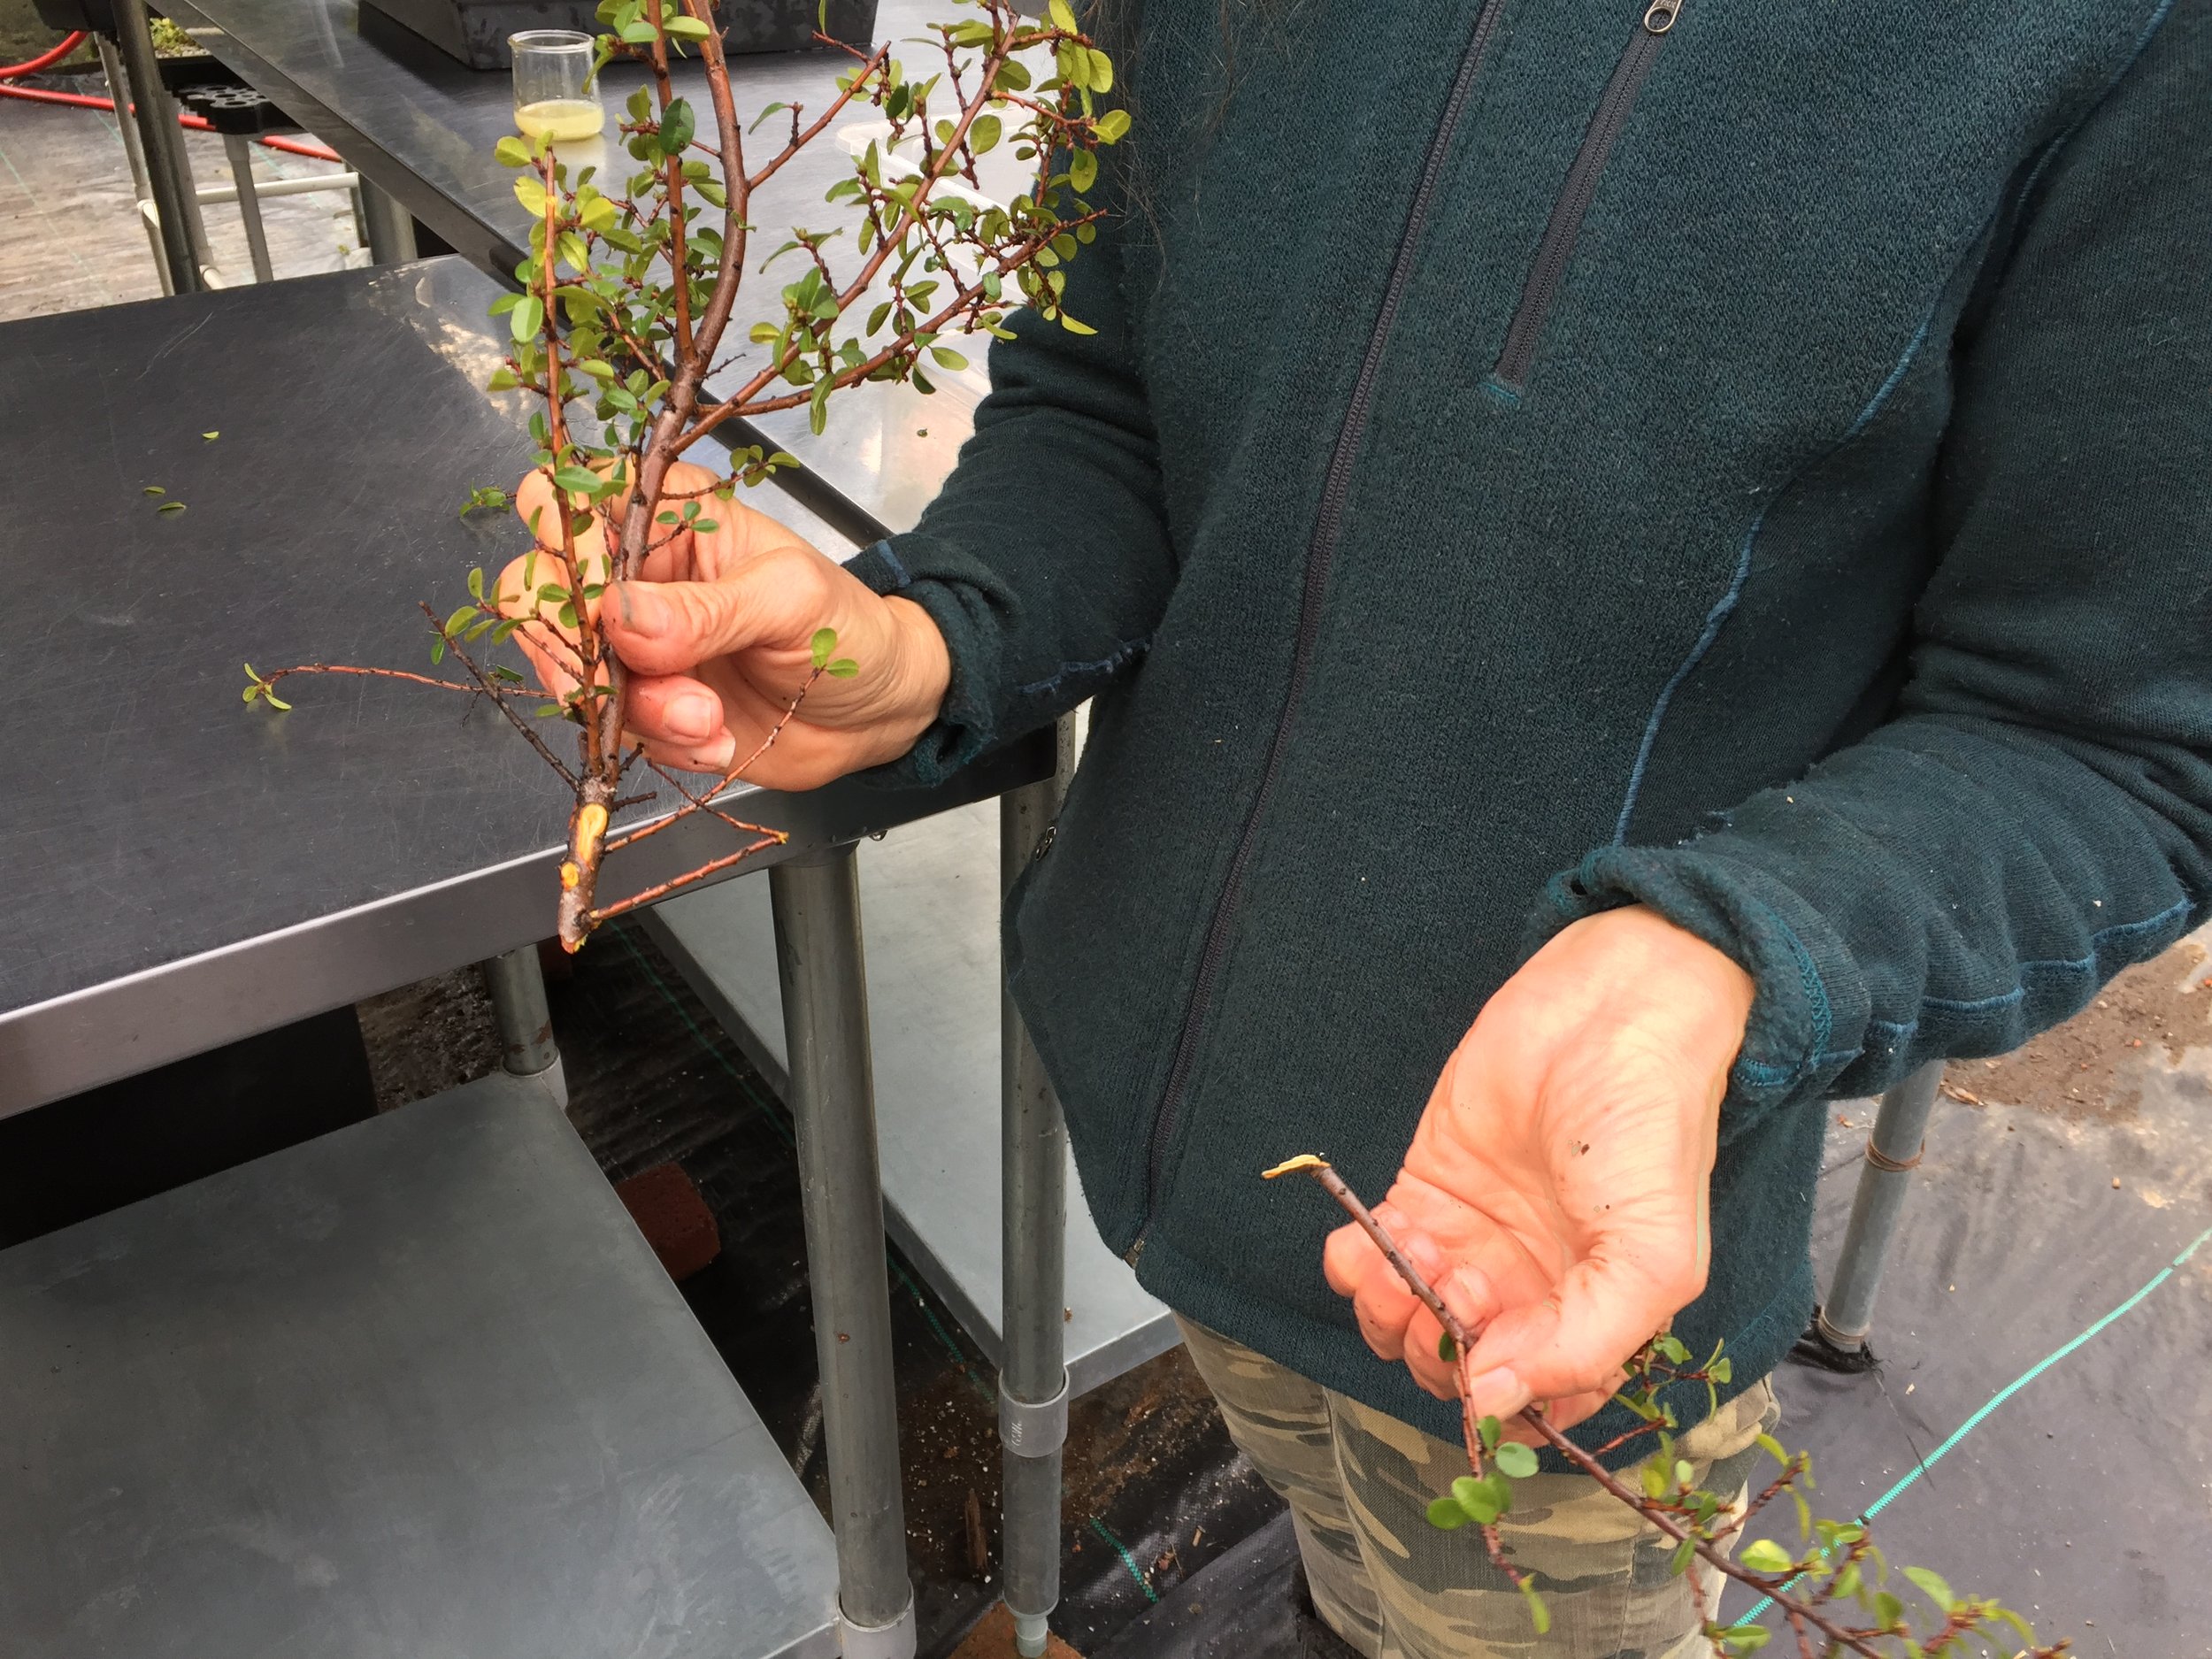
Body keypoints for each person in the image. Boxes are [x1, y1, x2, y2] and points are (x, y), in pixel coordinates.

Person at [504, 1, 2211, 1652]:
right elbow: (1112, 402)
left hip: (1553, 1283)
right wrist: (929, 638)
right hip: (1162, 1137)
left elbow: (2100, 733)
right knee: (1339, 1572)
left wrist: (1732, 956)